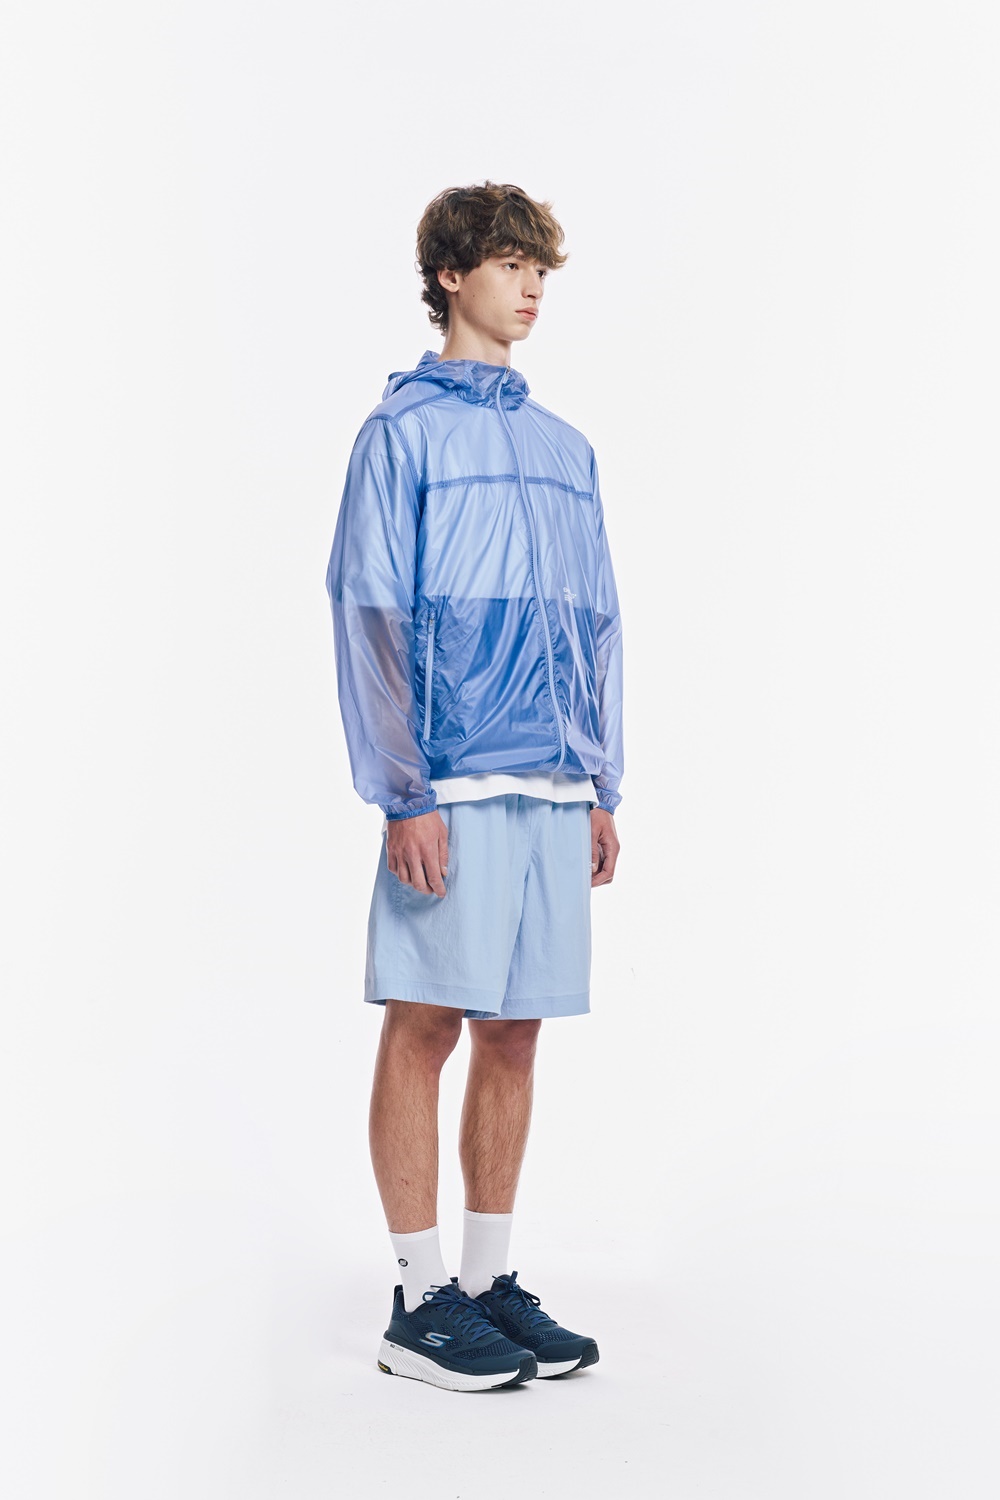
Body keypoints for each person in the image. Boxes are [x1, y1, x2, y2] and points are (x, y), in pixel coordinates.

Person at [325, 181, 624, 1392]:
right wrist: (402, 791)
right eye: (508, 264)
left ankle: (489, 1280)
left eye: (540, 267)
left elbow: (598, 620)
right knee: (426, 1020)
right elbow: (369, 612)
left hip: (553, 779)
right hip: (448, 778)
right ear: (451, 276)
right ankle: (417, 1300)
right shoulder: (400, 434)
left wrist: (602, 776)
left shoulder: (564, 448)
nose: (532, 286)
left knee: (514, 1029)